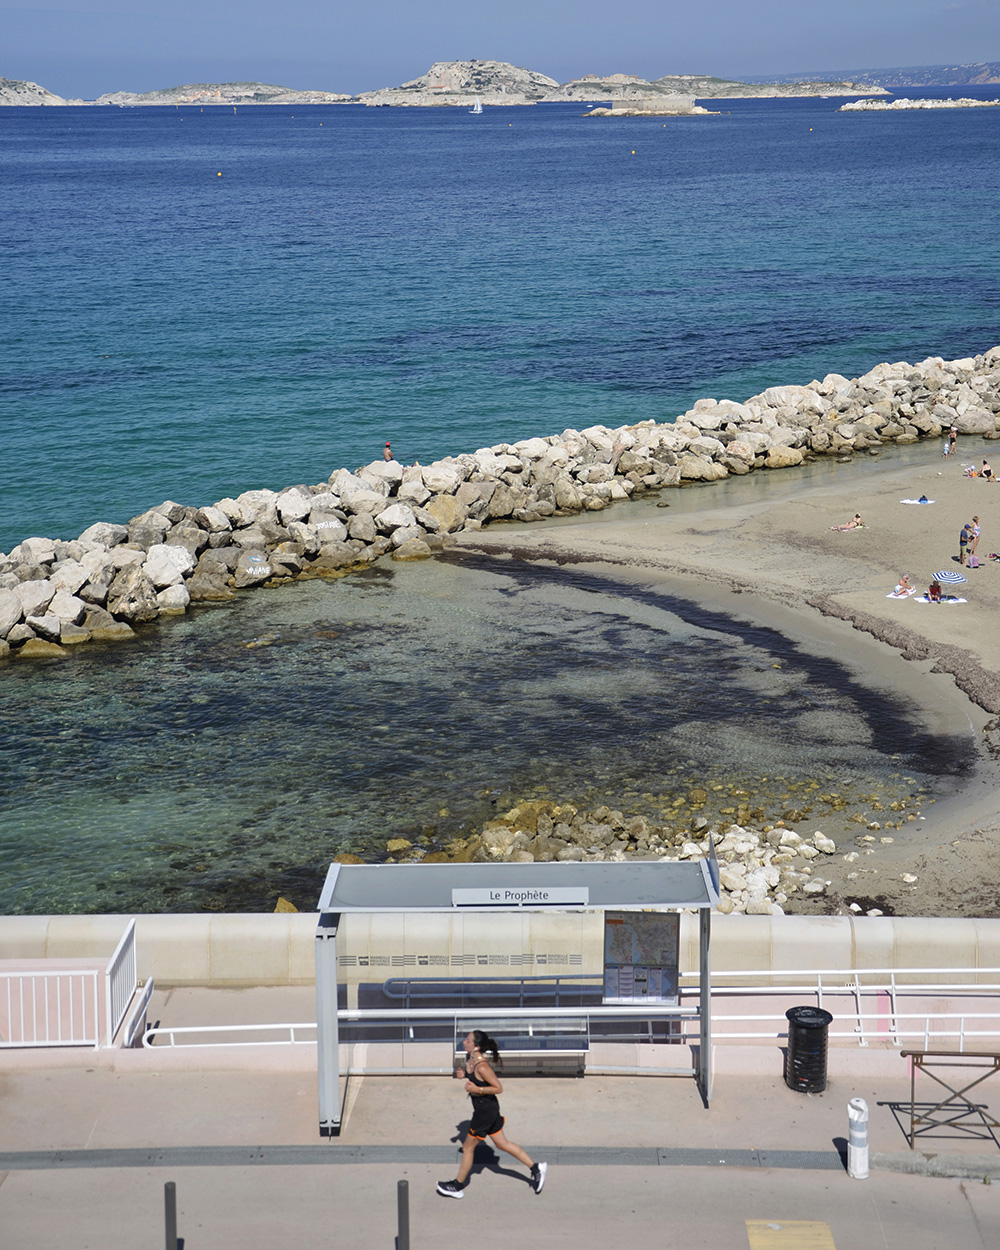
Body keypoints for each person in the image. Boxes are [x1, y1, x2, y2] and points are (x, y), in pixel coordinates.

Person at [437, 1029, 547, 1199]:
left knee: (468, 1147)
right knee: (502, 1144)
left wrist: (477, 1089)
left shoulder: (482, 1066)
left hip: (485, 1111)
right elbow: (474, 1077)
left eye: (468, 1040)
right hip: (487, 1109)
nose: (464, 1042)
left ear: (476, 1046)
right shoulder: (471, 1059)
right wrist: (464, 1075)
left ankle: (457, 1186)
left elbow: (498, 1088)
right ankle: (536, 1168)